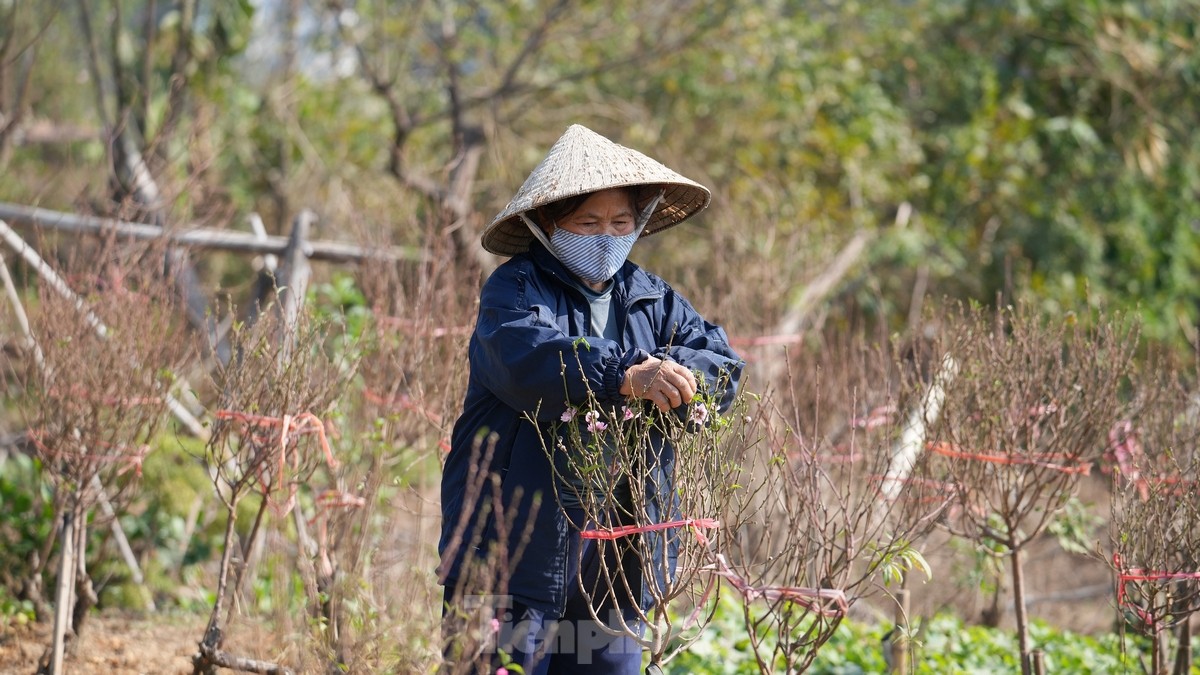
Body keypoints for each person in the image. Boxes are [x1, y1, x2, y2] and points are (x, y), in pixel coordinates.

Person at [438, 124, 743, 675]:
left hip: (617, 559)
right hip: (512, 557)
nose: (607, 235)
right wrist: (627, 373)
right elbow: (524, 358)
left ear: (639, 224)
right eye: (588, 223)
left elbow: (721, 363)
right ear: (548, 226)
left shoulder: (654, 298)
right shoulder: (514, 291)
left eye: (620, 222)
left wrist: (684, 379)